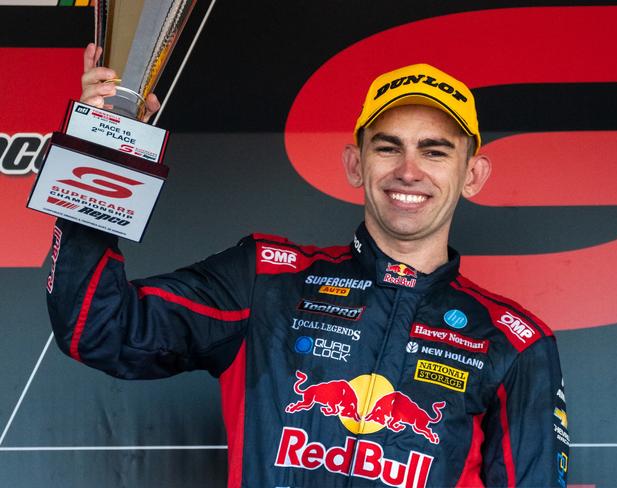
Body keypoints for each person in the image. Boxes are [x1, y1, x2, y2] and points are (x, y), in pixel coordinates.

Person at [47, 43, 569, 487]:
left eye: (434, 152)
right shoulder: (267, 280)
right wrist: (99, 152)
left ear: (473, 174)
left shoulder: (516, 341)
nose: (408, 171)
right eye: (388, 148)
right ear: (354, 164)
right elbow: (99, 328)